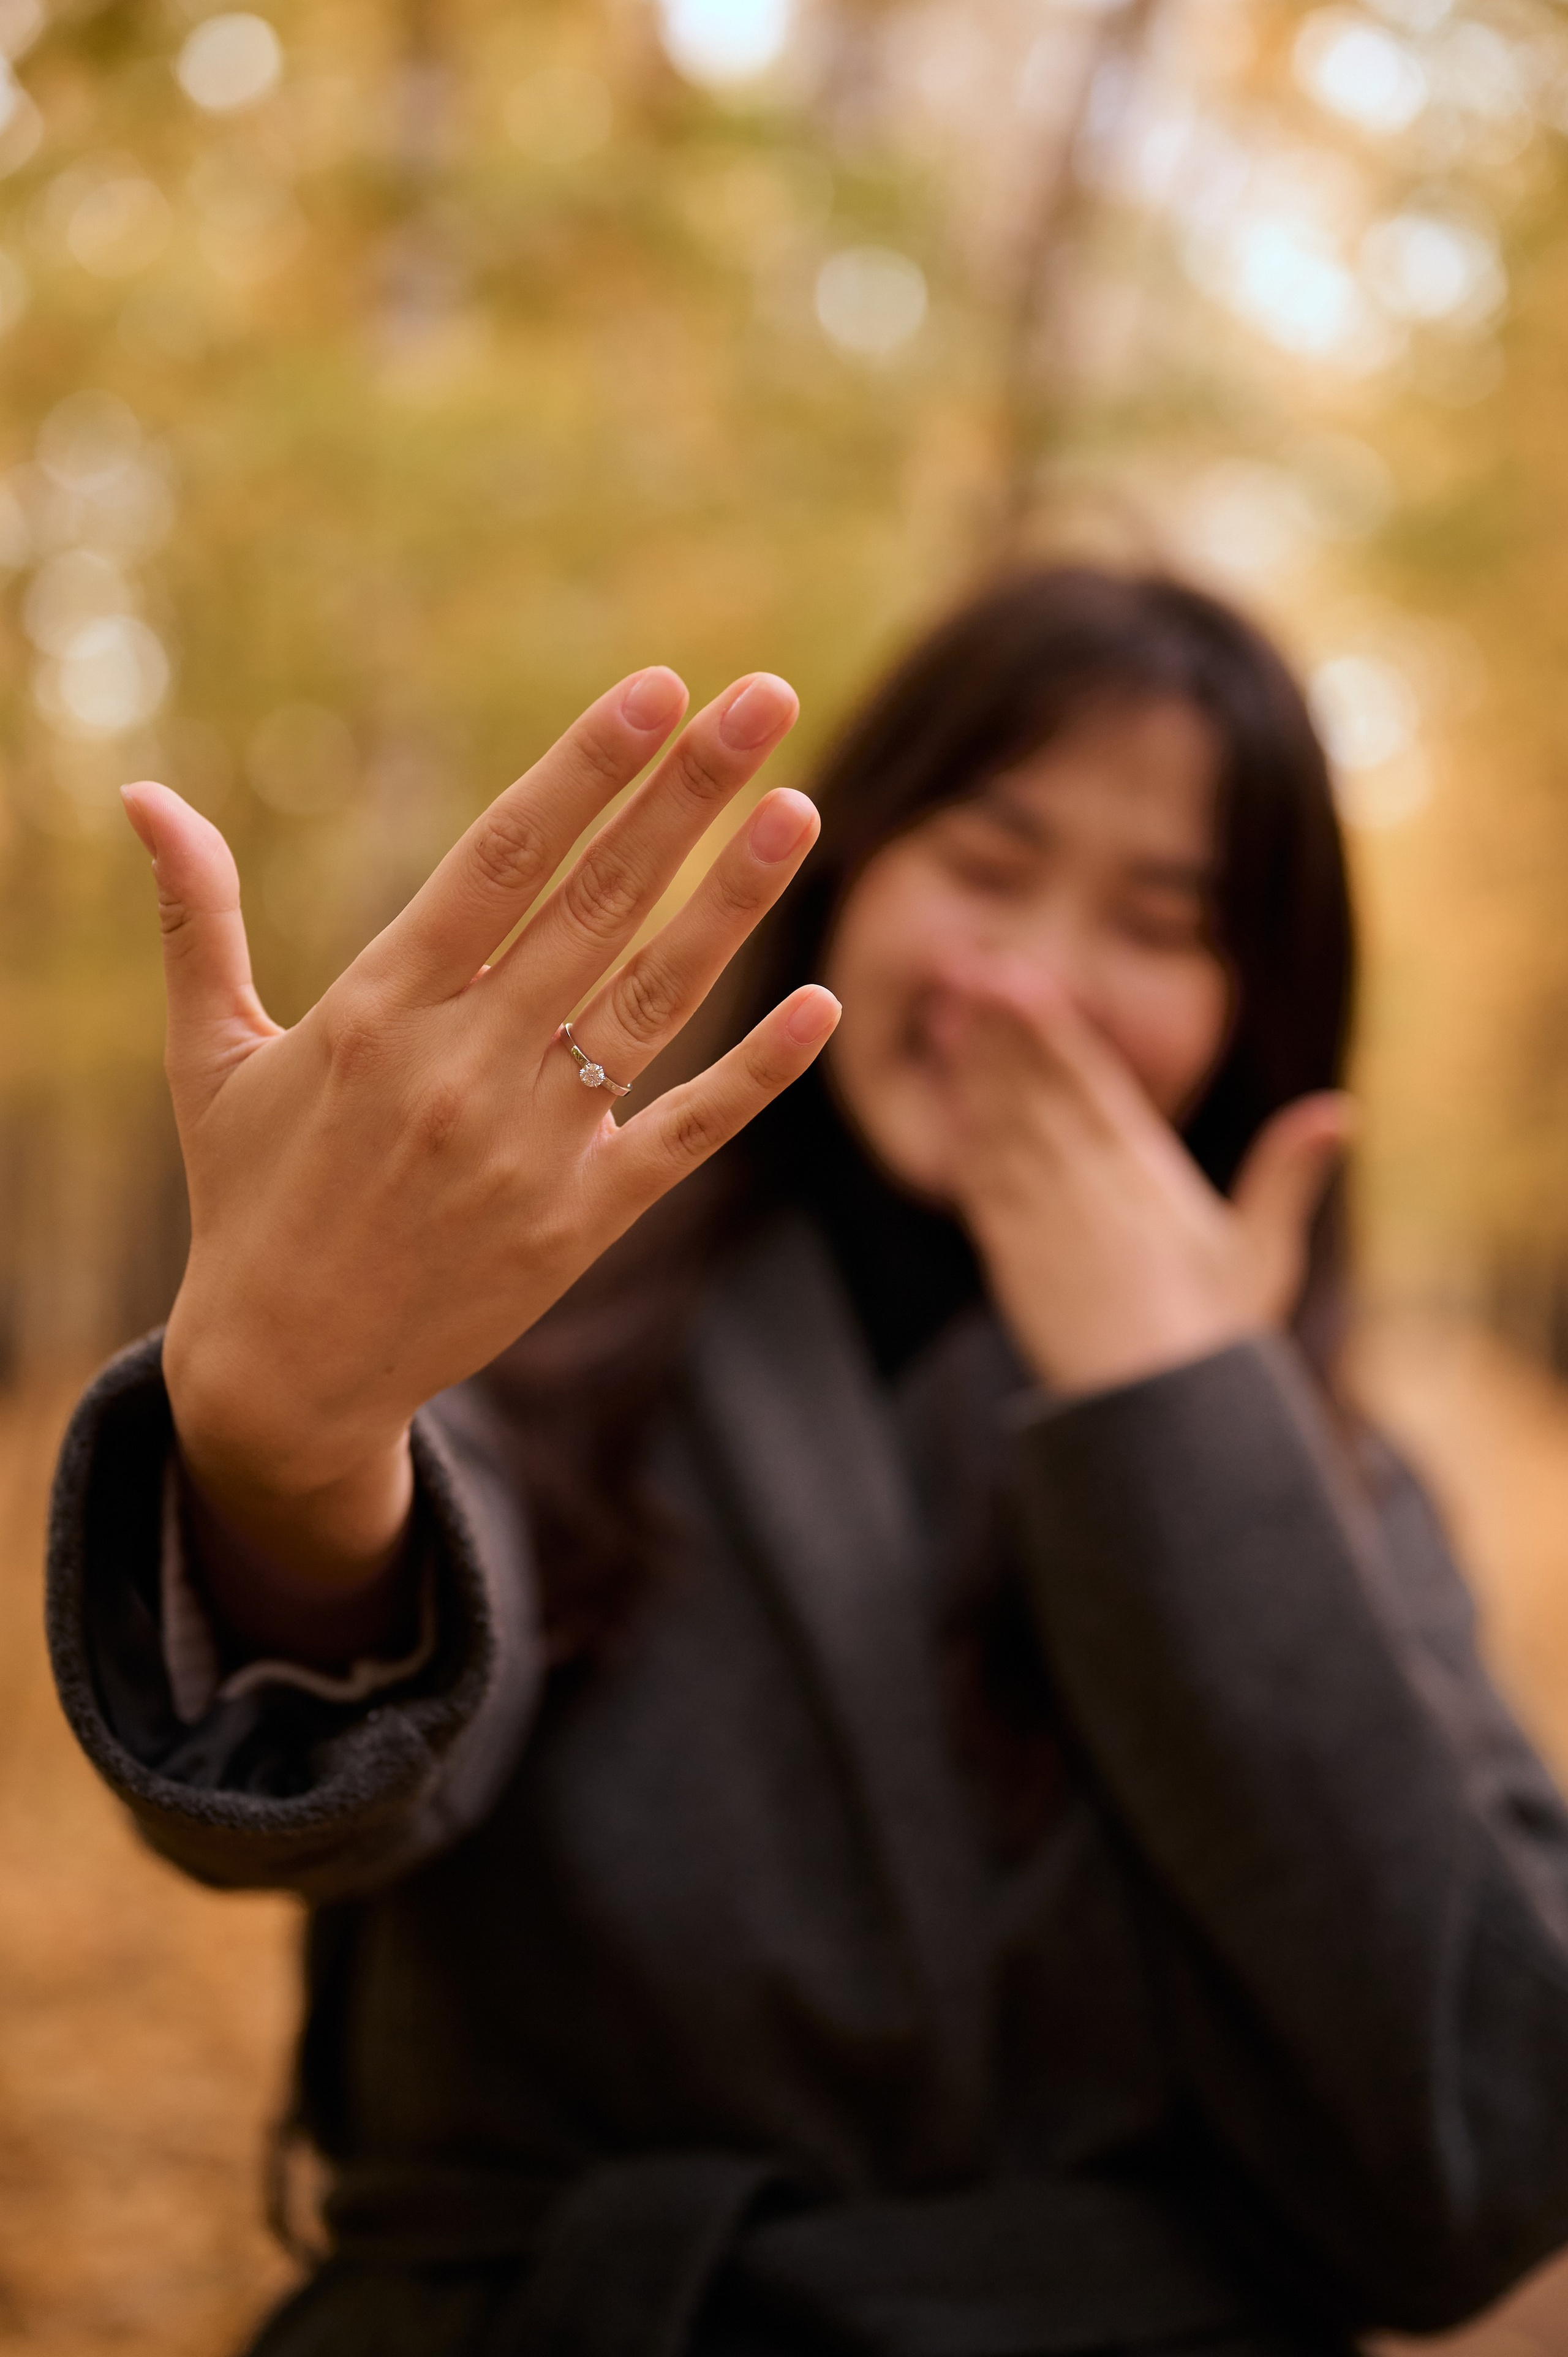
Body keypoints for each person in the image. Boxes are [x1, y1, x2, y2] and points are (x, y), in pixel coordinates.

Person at [46, 566, 1568, 2357]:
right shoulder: (549, 1321)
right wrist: (292, 1457)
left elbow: (1482, 2161)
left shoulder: (1329, 1478)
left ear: (1262, 1008)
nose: (1034, 985)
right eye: (988, 871)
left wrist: (1185, 1432)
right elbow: (322, 1787)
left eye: (1159, 922)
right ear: (856, 880)